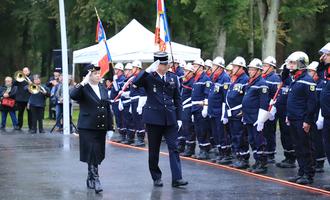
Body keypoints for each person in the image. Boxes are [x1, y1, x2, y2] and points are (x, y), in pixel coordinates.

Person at [133, 51, 188, 188]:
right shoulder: (148, 77)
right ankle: (156, 177)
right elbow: (135, 83)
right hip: (153, 119)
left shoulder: (172, 77)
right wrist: (147, 70)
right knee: (154, 150)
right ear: (157, 64)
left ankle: (177, 178)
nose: (167, 66)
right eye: (163, 64)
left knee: (174, 147)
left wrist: (179, 118)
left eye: (166, 63)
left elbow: (177, 99)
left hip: (170, 118)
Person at [70, 64, 111, 193]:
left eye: (99, 73)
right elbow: (73, 94)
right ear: (88, 75)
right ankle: (96, 179)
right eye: (95, 73)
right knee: (92, 151)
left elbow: (107, 107)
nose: (98, 75)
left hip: (100, 126)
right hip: (87, 126)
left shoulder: (102, 87)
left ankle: (90, 177)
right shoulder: (83, 88)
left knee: (97, 153)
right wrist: (83, 82)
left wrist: (110, 126)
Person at [286, 51, 316, 185]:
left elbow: (312, 103)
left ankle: (308, 174)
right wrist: (289, 115)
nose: (290, 65)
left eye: (293, 63)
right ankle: (301, 172)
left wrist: (308, 120)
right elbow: (293, 100)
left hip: (302, 120)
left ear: (301, 63)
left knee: (305, 147)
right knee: (297, 147)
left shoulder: (307, 80)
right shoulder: (295, 79)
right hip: (293, 118)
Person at [242, 59, 270, 174]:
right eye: (249, 69)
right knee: (252, 140)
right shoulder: (250, 82)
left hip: (256, 118)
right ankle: (257, 161)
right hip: (249, 116)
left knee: (259, 141)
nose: (250, 71)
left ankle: (262, 164)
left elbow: (264, 103)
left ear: (259, 71)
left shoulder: (262, 84)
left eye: (252, 69)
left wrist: (261, 120)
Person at [225, 56, 250, 169]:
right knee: (234, 135)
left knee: (241, 136)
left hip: (239, 112)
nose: (233, 68)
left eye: (235, 66)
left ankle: (243, 159)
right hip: (232, 113)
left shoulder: (245, 79)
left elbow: (246, 97)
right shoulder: (234, 79)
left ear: (241, 68)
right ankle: (237, 156)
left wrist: (243, 111)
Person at [207, 57, 231, 164]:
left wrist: (224, 113)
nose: (212, 68)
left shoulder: (225, 78)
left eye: (214, 66)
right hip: (213, 110)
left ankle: (225, 154)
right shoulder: (214, 77)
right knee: (216, 133)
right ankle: (220, 152)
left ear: (220, 68)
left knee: (222, 133)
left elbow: (225, 98)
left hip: (219, 111)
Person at [275, 64, 296, 168]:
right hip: (281, 112)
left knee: (288, 136)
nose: (281, 74)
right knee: (283, 135)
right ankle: (287, 156)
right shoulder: (282, 82)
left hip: (288, 113)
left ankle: (291, 158)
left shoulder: (291, 81)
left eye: (284, 72)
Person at [306, 61, 326, 173]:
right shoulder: (313, 83)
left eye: (311, 71)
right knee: (312, 138)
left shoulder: (322, 83)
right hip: (312, 114)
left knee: (318, 139)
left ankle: (320, 161)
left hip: (319, 114)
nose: (309, 73)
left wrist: (320, 117)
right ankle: (314, 159)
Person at [191, 58, 212, 160]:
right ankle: (201, 148)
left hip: (201, 107)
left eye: (195, 66)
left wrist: (205, 108)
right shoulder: (196, 79)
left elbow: (207, 95)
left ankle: (205, 151)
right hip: (195, 107)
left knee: (203, 129)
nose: (193, 68)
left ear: (201, 67)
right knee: (198, 129)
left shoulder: (206, 79)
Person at [261, 56, 281, 163]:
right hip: (262, 109)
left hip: (270, 109)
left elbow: (277, 95)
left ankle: (270, 153)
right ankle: (265, 150)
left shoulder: (275, 79)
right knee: (263, 131)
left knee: (269, 131)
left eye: (266, 66)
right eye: (263, 65)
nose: (263, 67)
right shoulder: (263, 77)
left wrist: (273, 108)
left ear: (272, 67)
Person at [318, 42, 330, 190]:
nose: (323, 57)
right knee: (328, 148)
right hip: (327, 116)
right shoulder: (327, 72)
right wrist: (323, 61)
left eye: (326, 55)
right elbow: (320, 72)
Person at [179, 63, 196, 156]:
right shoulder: (185, 80)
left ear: (191, 72)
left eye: (186, 71)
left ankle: (190, 148)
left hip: (188, 106)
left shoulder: (192, 81)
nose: (184, 72)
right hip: (183, 106)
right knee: (182, 127)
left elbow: (193, 95)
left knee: (188, 128)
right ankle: (181, 145)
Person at [130, 60, 147, 146]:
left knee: (140, 120)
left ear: (137, 68)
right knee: (136, 120)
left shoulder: (141, 76)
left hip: (139, 100)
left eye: (133, 67)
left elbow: (143, 92)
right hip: (134, 100)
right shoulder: (135, 77)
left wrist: (140, 105)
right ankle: (139, 138)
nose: (132, 69)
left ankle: (141, 139)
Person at [118, 63, 135, 145]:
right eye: (125, 70)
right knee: (125, 121)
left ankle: (131, 138)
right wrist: (121, 100)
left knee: (130, 121)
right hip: (124, 102)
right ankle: (127, 136)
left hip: (129, 102)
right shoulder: (125, 80)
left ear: (131, 71)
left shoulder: (132, 80)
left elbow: (132, 92)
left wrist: (124, 94)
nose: (125, 71)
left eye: (127, 70)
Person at [110, 63, 126, 142]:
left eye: (116, 69)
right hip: (114, 102)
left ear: (120, 70)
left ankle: (123, 136)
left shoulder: (122, 79)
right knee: (117, 119)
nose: (115, 71)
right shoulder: (117, 78)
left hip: (118, 101)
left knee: (121, 119)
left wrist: (115, 80)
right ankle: (120, 134)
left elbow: (118, 90)